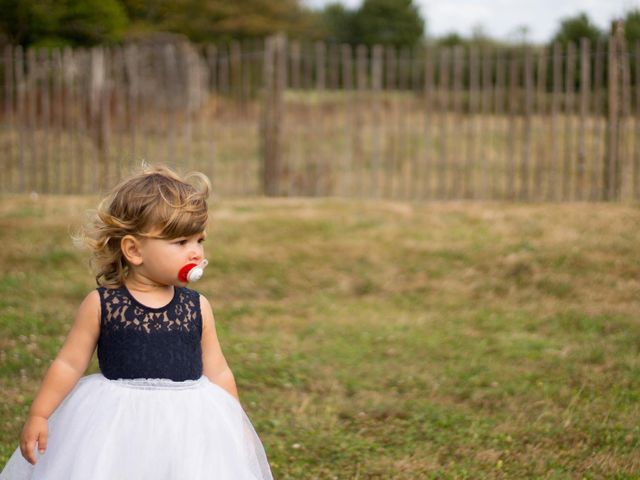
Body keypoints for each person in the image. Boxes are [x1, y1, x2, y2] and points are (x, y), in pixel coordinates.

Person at [0, 165, 273, 479]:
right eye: (181, 242)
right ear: (133, 249)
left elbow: (219, 370)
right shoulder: (102, 304)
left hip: (187, 427)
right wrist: (40, 413)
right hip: (116, 424)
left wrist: (234, 423)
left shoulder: (198, 307)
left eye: (200, 240)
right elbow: (68, 364)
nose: (196, 252)